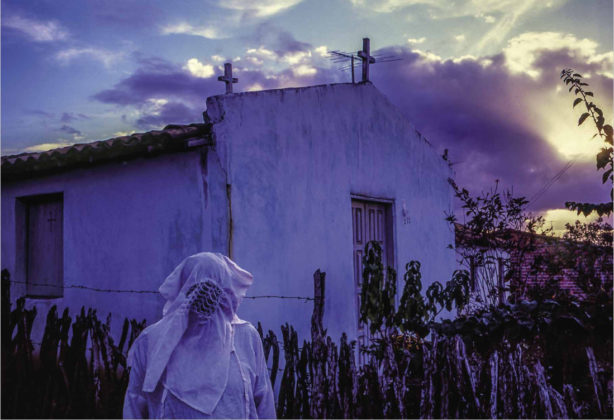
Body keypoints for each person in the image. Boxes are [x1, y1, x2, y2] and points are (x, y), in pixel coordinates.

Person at [123, 252, 276, 419]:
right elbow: (135, 405)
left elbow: (264, 403)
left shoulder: (246, 337)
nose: (206, 300)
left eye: (213, 293)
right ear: (184, 290)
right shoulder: (152, 341)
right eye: (199, 291)